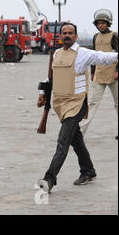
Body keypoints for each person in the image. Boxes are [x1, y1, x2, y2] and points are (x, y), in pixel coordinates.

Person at [36, 22, 118, 193]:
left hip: (76, 104)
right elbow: (50, 77)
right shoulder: (56, 54)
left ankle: (49, 179)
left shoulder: (83, 53)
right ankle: (88, 171)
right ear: (60, 36)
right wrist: (43, 94)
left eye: (70, 33)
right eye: (64, 33)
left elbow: (103, 57)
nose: (67, 35)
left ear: (76, 36)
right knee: (76, 139)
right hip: (60, 104)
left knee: (63, 141)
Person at [79, 9, 118, 139]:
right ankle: (80, 131)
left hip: (114, 75)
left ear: (108, 23)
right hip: (99, 75)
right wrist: (92, 72)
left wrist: (117, 71)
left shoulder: (114, 36)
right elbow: (93, 56)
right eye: (98, 23)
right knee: (92, 104)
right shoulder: (95, 37)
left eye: (103, 23)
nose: (101, 25)